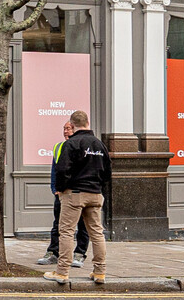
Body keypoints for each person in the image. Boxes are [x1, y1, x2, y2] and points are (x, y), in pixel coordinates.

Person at [50, 110, 109, 286]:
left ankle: (62, 272)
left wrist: (61, 189)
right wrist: (99, 188)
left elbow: (62, 170)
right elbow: (107, 172)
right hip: (95, 194)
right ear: (88, 123)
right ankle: (100, 272)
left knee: (67, 232)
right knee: (97, 233)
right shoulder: (99, 145)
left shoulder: (72, 144)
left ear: (73, 125)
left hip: (74, 193)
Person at [43, 122, 90, 269]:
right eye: (64, 128)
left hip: (79, 191)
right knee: (58, 224)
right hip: (62, 193)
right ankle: (53, 252)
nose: (66, 131)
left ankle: (79, 253)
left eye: (69, 128)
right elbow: (55, 169)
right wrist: (55, 188)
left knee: (83, 225)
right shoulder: (59, 147)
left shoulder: (83, 146)